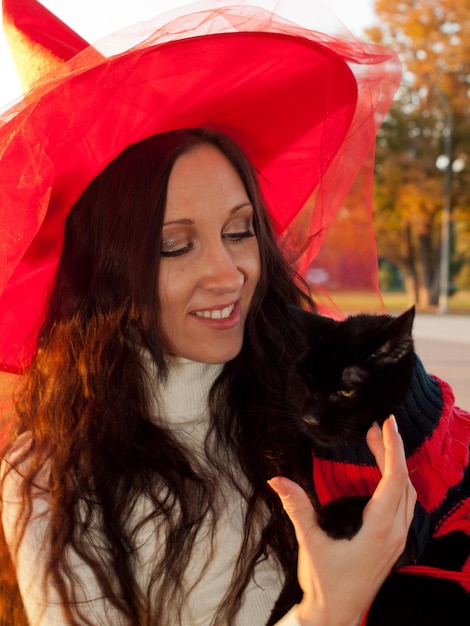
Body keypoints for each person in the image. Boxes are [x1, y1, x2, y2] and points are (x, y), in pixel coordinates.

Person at [0, 1, 467, 625]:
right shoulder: (48, 481)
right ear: (104, 272)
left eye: (241, 231)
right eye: (175, 244)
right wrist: (329, 612)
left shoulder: (308, 388)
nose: (229, 275)